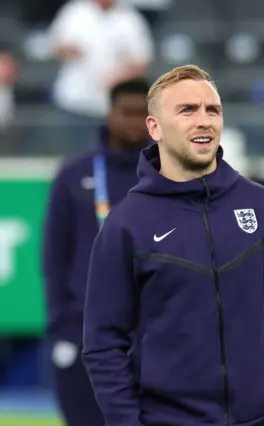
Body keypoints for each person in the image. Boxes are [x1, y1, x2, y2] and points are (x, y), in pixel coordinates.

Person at [82, 64, 264, 426]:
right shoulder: (126, 224)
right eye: (187, 110)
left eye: (212, 110)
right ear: (154, 127)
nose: (204, 120)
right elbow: (103, 344)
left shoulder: (262, 206)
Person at [42, 78, 151, 426]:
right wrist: (62, 322)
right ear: (110, 113)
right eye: (126, 112)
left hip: (155, 329)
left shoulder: (171, 174)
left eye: (142, 113)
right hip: (85, 327)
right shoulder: (75, 174)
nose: (133, 121)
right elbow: (54, 255)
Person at [48, 0, 153, 150]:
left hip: (111, 107)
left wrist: (120, 77)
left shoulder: (130, 19)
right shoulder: (74, 11)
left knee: (111, 155)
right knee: (76, 157)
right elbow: (53, 45)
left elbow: (142, 62)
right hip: (74, 102)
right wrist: (66, 50)